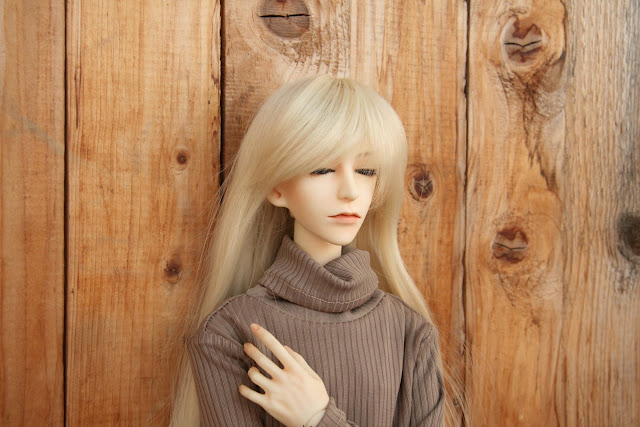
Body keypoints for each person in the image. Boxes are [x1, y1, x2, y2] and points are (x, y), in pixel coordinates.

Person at [171, 75, 446, 426]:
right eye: (322, 168)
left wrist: (318, 418)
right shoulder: (229, 332)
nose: (350, 190)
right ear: (276, 187)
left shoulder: (409, 331)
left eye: (366, 169)